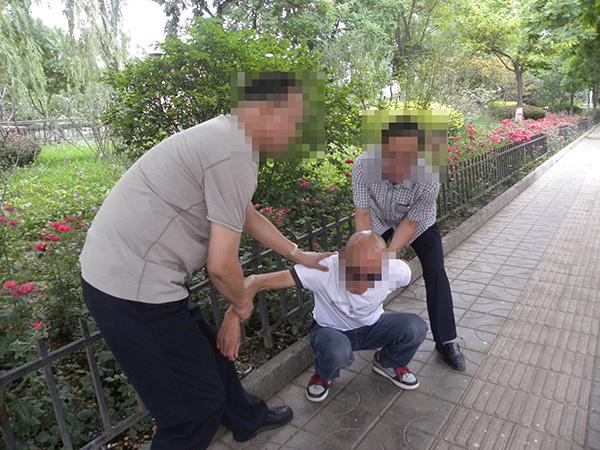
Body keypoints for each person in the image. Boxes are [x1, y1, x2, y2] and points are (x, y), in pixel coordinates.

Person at [79, 72, 332, 449]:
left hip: (136, 274)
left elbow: (245, 213)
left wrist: (297, 254)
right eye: (295, 121)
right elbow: (221, 266)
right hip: (131, 287)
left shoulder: (228, 137)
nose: (297, 133)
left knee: (210, 351)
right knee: (194, 410)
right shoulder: (233, 152)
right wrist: (241, 305)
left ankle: (246, 417)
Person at [245, 231, 427, 402]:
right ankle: (324, 376)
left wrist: (396, 262)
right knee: (337, 352)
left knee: (415, 327)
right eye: (355, 271)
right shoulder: (325, 268)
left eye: (369, 275)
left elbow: (407, 267)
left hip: (372, 326)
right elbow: (257, 281)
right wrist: (236, 312)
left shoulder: (392, 270)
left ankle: (386, 362)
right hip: (330, 330)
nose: (360, 284)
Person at [352, 117, 466, 372]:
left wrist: (390, 255)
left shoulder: (429, 177)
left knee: (436, 272)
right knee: (363, 266)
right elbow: (362, 213)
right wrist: (368, 251)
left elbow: (410, 224)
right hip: (379, 218)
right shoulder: (362, 165)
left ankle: (446, 340)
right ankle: (359, 325)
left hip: (418, 222)